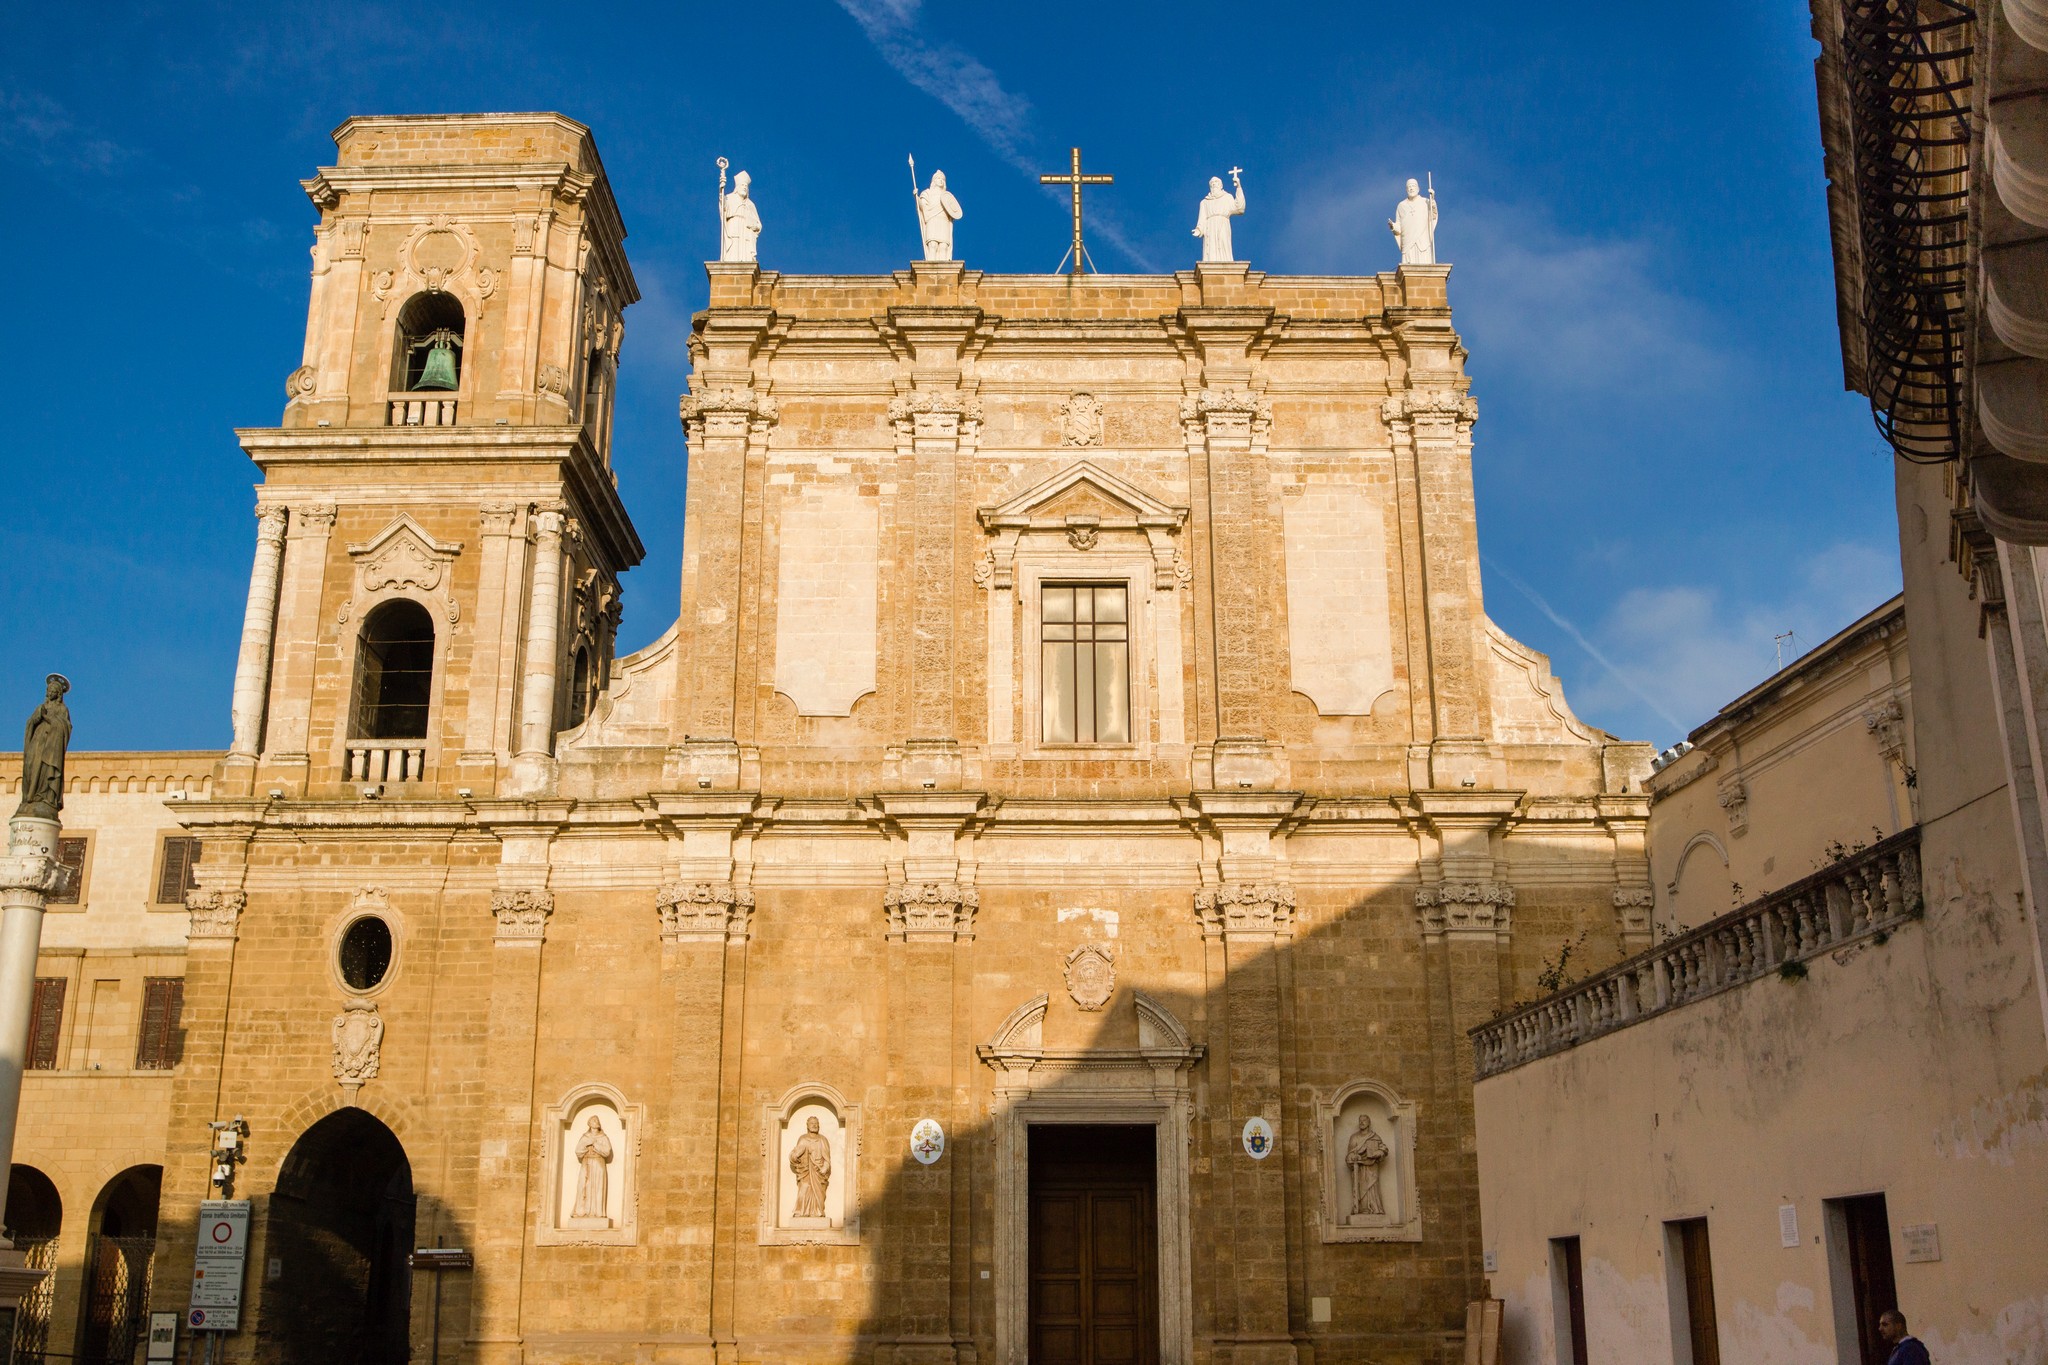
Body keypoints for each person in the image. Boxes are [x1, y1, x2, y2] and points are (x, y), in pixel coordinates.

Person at [16, 674, 71, 821]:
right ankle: (30, 797)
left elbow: (64, 727)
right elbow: (30, 723)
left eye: (54, 691)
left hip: (51, 747)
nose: (51, 693)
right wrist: (35, 719)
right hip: (37, 743)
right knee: (31, 767)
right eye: (49, 690)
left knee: (46, 771)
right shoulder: (41, 707)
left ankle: (45, 796)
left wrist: (47, 718)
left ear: (58, 694)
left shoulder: (62, 709)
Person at [1193, 170, 1246, 263]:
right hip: (1210, 227)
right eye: (1212, 183)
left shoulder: (1227, 197)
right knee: (1211, 249)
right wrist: (1199, 229)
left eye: (1216, 182)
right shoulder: (1204, 202)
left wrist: (1238, 187)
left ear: (1221, 186)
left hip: (1223, 224)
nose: (1214, 184)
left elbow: (1239, 208)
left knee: (1223, 244)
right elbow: (1202, 219)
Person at [917, 170, 964, 262]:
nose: (941, 180)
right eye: (938, 178)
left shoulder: (946, 196)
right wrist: (917, 198)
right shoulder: (927, 193)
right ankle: (931, 265)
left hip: (944, 221)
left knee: (943, 246)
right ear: (934, 181)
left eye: (943, 179)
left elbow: (953, 210)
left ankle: (944, 265)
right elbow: (923, 206)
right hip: (932, 219)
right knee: (933, 244)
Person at [720, 170, 761, 263]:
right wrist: (721, 190)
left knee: (746, 253)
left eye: (746, 186)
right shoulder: (729, 198)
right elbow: (723, 207)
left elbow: (759, 225)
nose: (744, 187)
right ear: (737, 187)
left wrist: (754, 225)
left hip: (746, 232)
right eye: (742, 185)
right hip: (734, 227)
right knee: (733, 249)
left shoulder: (750, 204)